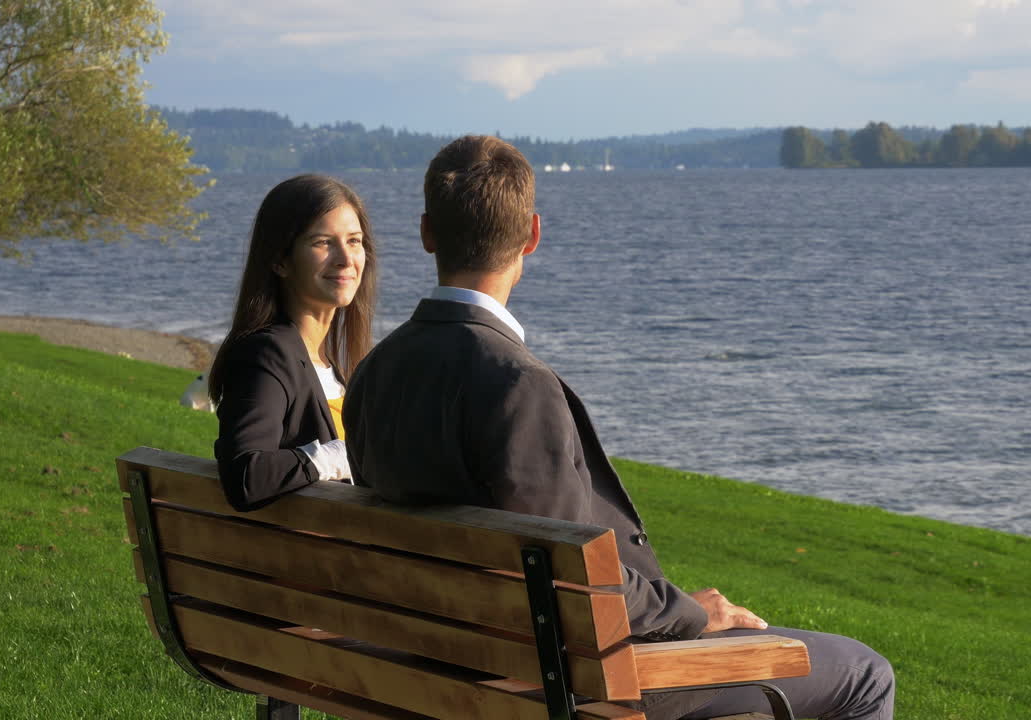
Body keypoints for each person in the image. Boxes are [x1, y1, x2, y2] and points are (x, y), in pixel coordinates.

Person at [344, 136, 893, 720]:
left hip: (437, 657)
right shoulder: (514, 383)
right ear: (532, 234)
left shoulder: (377, 372)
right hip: (559, 677)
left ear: (427, 232)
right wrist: (695, 614)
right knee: (864, 674)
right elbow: (576, 583)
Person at [209, 174, 376, 511]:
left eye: (354, 241)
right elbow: (246, 475)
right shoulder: (265, 355)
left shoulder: (328, 363)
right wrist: (338, 456)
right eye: (323, 242)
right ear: (280, 261)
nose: (346, 258)